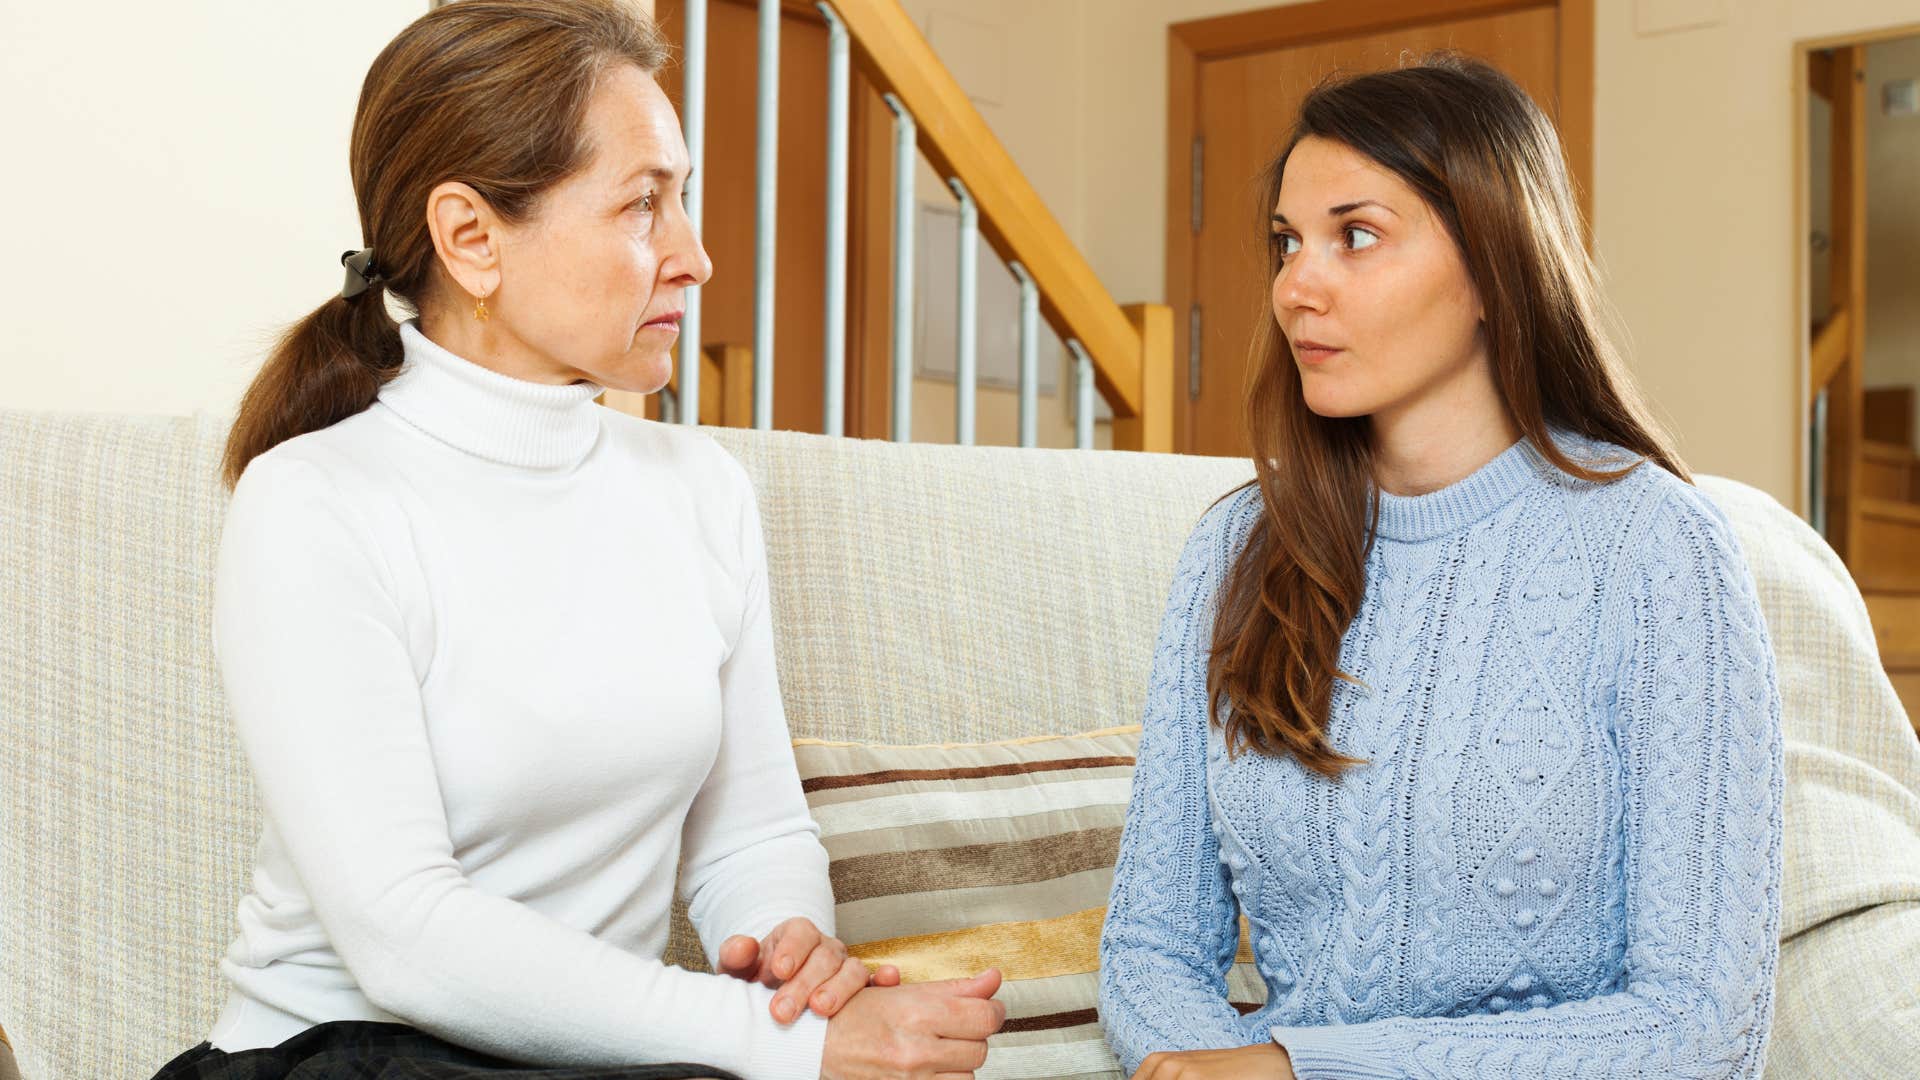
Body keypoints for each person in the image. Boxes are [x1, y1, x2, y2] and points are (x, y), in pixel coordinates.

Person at [151, 2, 1002, 1077]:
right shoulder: (315, 502)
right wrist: (781, 1049)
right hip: (345, 1055)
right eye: (645, 205)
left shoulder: (700, 492)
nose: (695, 257)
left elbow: (750, 837)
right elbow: (402, 932)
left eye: (682, 198)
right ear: (471, 238)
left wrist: (790, 962)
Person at [1099, 55, 1784, 1079]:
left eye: (1355, 236)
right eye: (1287, 243)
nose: (1297, 284)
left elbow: (1703, 1023)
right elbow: (1150, 948)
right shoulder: (1237, 548)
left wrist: (1309, 1070)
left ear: (1491, 263)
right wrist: (1213, 1066)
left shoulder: (1657, 551)